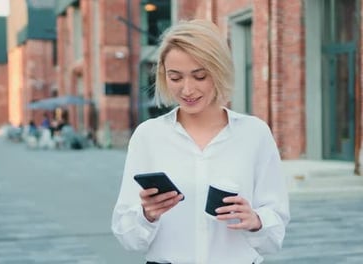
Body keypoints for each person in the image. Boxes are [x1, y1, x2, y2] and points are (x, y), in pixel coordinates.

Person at [111, 19, 290, 264]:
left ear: (219, 72)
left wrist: (256, 221)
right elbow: (127, 235)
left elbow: (275, 233)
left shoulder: (254, 134)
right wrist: (146, 215)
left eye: (199, 76)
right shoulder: (148, 136)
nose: (187, 89)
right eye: (175, 78)